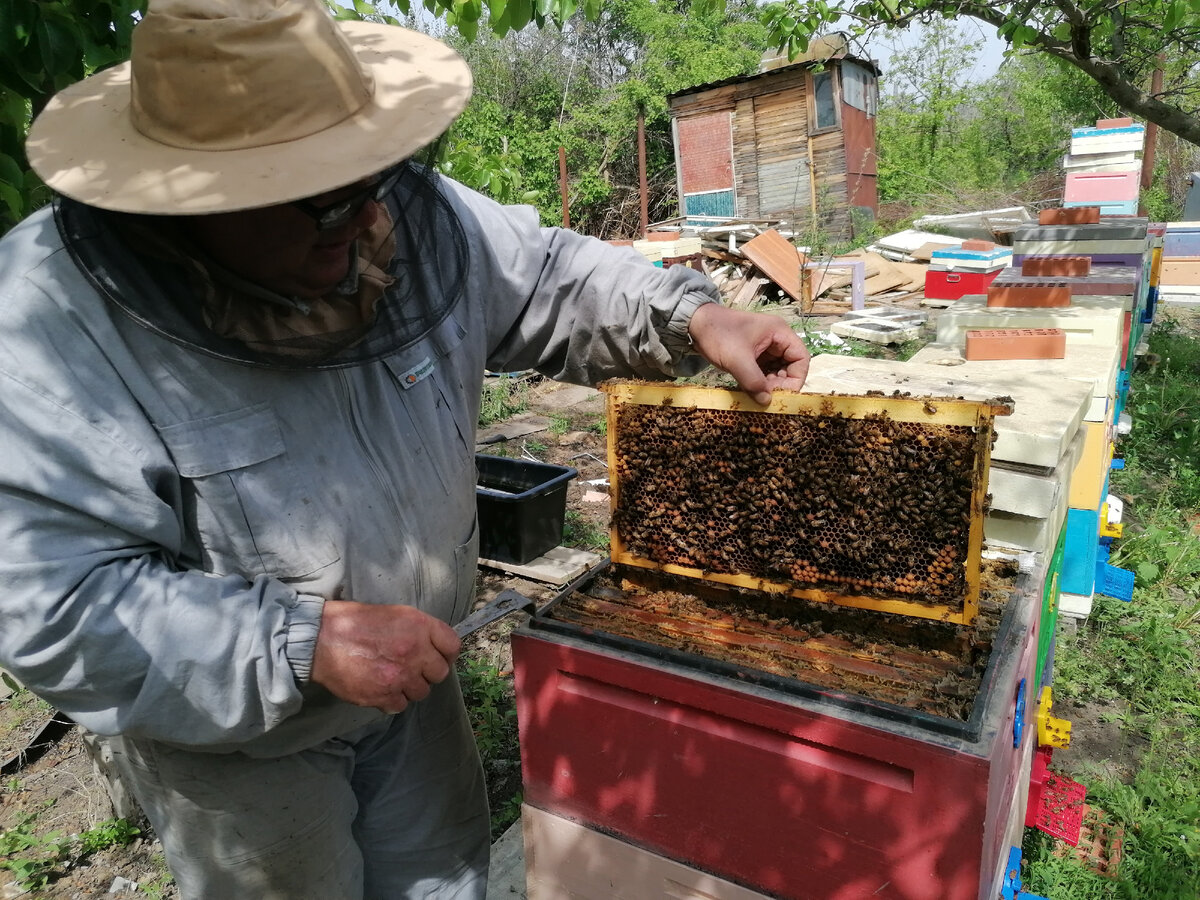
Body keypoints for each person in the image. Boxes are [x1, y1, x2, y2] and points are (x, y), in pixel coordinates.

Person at [0, 0, 810, 897]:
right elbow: (52, 598)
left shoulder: (404, 221)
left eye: (368, 177)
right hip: (237, 749)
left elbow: (548, 273)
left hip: (418, 694)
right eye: (321, 200)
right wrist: (298, 643)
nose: (363, 217)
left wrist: (695, 314)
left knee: (445, 883)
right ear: (195, 200)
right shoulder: (44, 325)